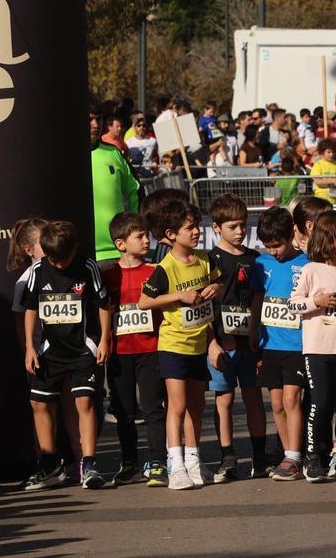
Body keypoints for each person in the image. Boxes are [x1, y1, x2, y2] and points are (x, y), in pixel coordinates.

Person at [138, 201, 223, 490]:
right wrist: (178, 297)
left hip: (198, 343)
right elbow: (144, 301)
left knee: (197, 405)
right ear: (171, 234)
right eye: (190, 228)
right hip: (173, 344)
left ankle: (193, 461)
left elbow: (218, 283)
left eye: (197, 226)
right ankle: (174, 466)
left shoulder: (204, 259)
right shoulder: (165, 267)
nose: (197, 232)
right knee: (177, 404)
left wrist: (214, 289)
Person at [23, 222, 111, 490]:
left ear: (75, 248)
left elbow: (104, 304)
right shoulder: (38, 270)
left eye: (64, 258)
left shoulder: (88, 268)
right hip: (50, 351)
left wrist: (105, 339)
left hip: (83, 349)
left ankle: (89, 463)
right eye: (53, 259)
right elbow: (30, 309)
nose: (58, 264)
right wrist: (29, 345)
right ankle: (49, 465)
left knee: (84, 402)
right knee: (39, 404)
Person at [290, 211, 336, 482]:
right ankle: (313, 457)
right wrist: (315, 302)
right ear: (330, 238)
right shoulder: (311, 270)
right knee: (320, 404)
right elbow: (293, 304)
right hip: (317, 350)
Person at [101, 213, 166, 487]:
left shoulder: (155, 271)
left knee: (153, 408)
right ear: (120, 244)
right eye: (139, 236)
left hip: (151, 348)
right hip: (119, 352)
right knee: (124, 410)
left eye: (146, 235)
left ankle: (158, 461)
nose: (146, 240)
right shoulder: (107, 275)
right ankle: (128, 462)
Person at [205, 194, 266, 482]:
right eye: (233, 226)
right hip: (223, 342)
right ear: (216, 227)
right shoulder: (208, 261)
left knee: (254, 398)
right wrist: (211, 342)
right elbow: (202, 307)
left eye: (244, 225)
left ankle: (260, 456)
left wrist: (256, 331)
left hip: (251, 342)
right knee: (224, 400)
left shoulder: (256, 259)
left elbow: (261, 298)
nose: (240, 231)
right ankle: (227, 456)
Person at [251, 206, 310, 481]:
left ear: (292, 235)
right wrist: (253, 331)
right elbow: (257, 299)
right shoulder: (262, 264)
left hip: (297, 344)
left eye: (278, 244)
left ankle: (296, 457)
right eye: (268, 246)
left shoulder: (307, 263)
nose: (274, 251)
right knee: (276, 404)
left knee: (291, 399)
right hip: (270, 343)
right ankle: (288, 454)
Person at [91, 135, 141, 263]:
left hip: (117, 253)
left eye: (98, 119)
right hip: (74, 254)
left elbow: (135, 191)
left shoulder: (114, 152)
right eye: (91, 119)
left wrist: (135, 232)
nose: (95, 125)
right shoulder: (61, 152)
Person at [310, 138, 336, 203]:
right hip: (321, 199)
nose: (331, 154)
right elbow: (318, 182)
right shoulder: (318, 165)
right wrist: (332, 181)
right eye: (328, 152)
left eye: (333, 152)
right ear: (322, 152)